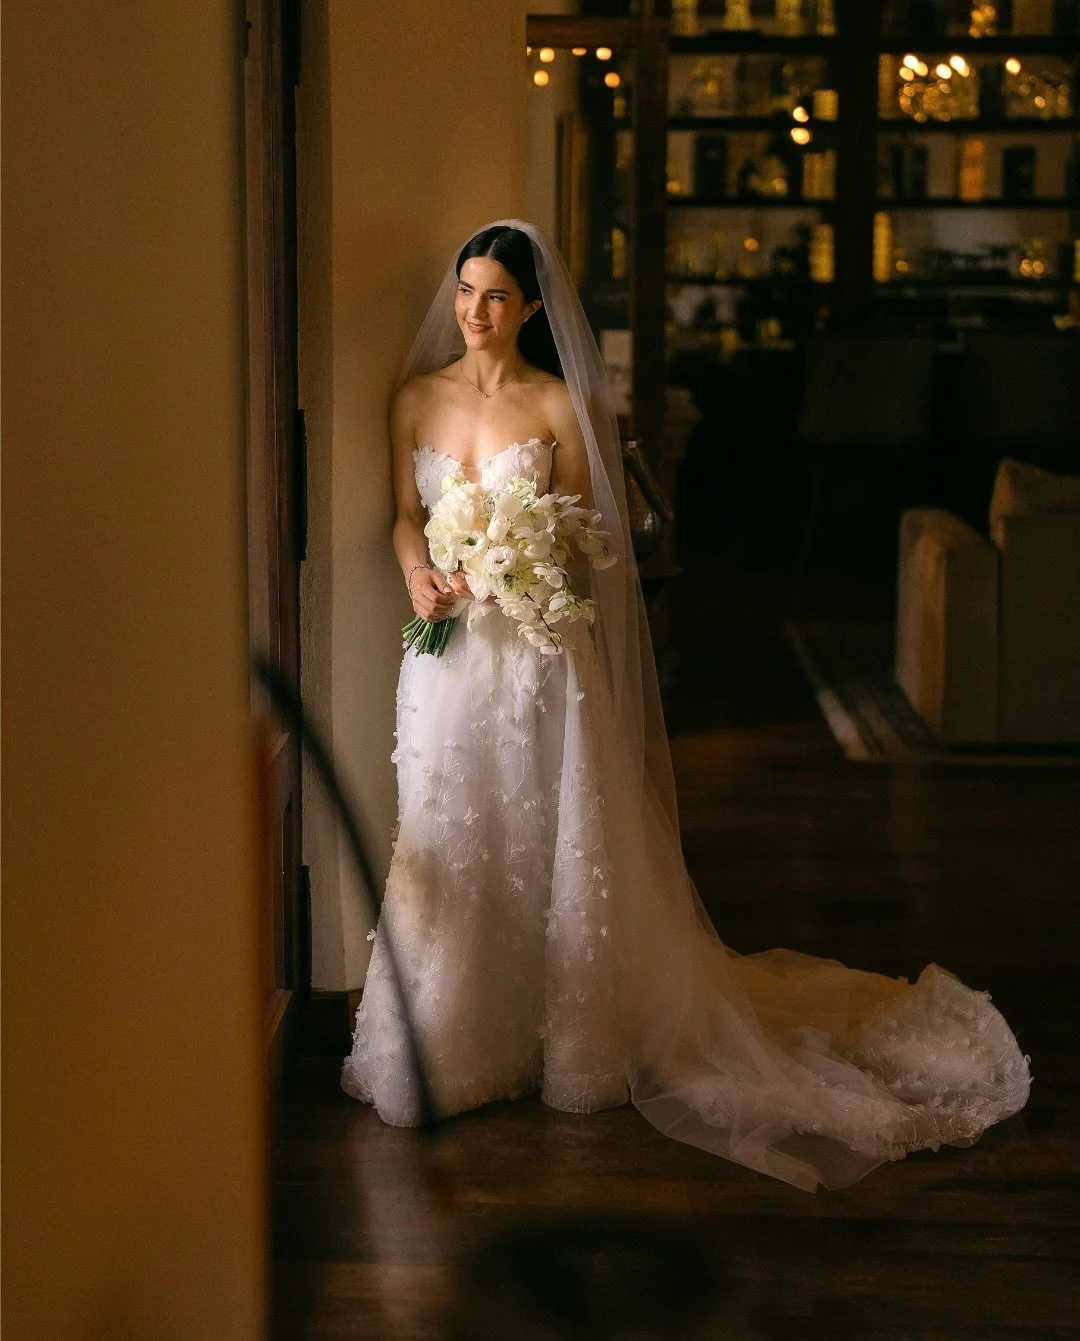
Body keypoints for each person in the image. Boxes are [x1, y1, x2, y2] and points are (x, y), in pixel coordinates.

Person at [340, 221, 1030, 1192]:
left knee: (543, 832)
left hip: (538, 654)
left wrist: (518, 561)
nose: (473, 311)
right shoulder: (415, 397)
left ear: (532, 308)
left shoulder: (558, 404)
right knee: (447, 832)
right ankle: (444, 1040)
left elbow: (588, 536)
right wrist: (421, 575)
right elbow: (407, 517)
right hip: (448, 663)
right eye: (464, 290)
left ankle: (569, 1040)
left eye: (495, 295)